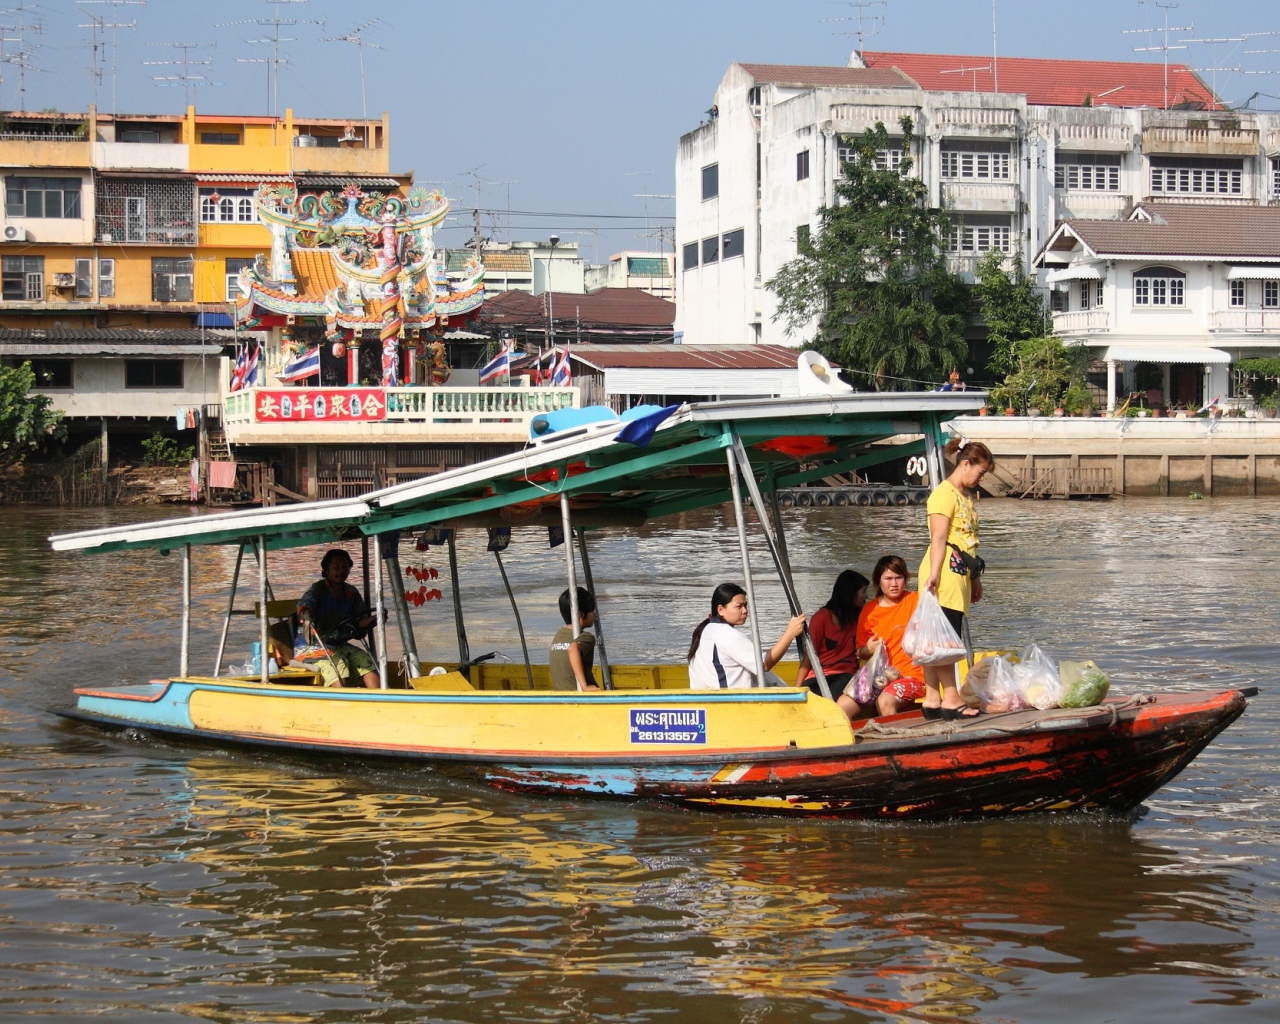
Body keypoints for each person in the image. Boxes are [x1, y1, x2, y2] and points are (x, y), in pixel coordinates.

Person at [918, 437, 995, 719]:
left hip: (959, 570)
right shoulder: (943, 494)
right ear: (966, 464)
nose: (981, 478)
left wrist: (975, 578)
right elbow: (939, 537)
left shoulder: (964, 496)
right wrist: (935, 574)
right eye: (980, 472)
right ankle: (951, 698)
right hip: (944, 570)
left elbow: (968, 542)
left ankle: (932, 697)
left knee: (935, 634)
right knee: (945, 636)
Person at [688, 583, 806, 690]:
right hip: (732, 704)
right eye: (739, 606)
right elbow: (764, 664)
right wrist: (789, 633)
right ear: (721, 610)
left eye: (745, 606)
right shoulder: (726, 634)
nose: (745, 611)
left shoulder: (706, 630)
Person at [293, 549, 379, 689]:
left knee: (366, 661)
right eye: (336, 567)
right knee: (339, 665)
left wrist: (376, 619)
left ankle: (379, 700)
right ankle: (341, 703)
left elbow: (359, 621)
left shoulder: (351, 592)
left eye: (345, 567)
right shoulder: (318, 590)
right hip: (312, 648)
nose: (341, 571)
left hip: (339, 645)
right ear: (326, 569)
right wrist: (305, 614)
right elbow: (303, 606)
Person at [855, 555, 927, 718]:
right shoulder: (869, 611)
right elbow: (860, 653)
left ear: (906, 578)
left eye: (898, 578)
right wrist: (868, 649)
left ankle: (896, 739)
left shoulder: (916, 600)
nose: (894, 584)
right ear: (878, 581)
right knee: (843, 705)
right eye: (888, 578)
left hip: (915, 676)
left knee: (885, 701)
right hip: (881, 676)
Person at [797, 569, 869, 697]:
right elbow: (809, 656)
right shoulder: (822, 618)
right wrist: (797, 689)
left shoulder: (861, 617)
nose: (867, 596)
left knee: (833, 699)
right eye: (863, 592)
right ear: (851, 593)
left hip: (846, 673)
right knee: (811, 700)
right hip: (820, 674)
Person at [549, 587, 599, 692]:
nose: (594, 614)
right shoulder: (586, 637)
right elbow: (573, 649)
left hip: (561, 697)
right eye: (592, 611)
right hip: (580, 697)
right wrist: (584, 686)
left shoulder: (558, 635)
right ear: (580, 614)